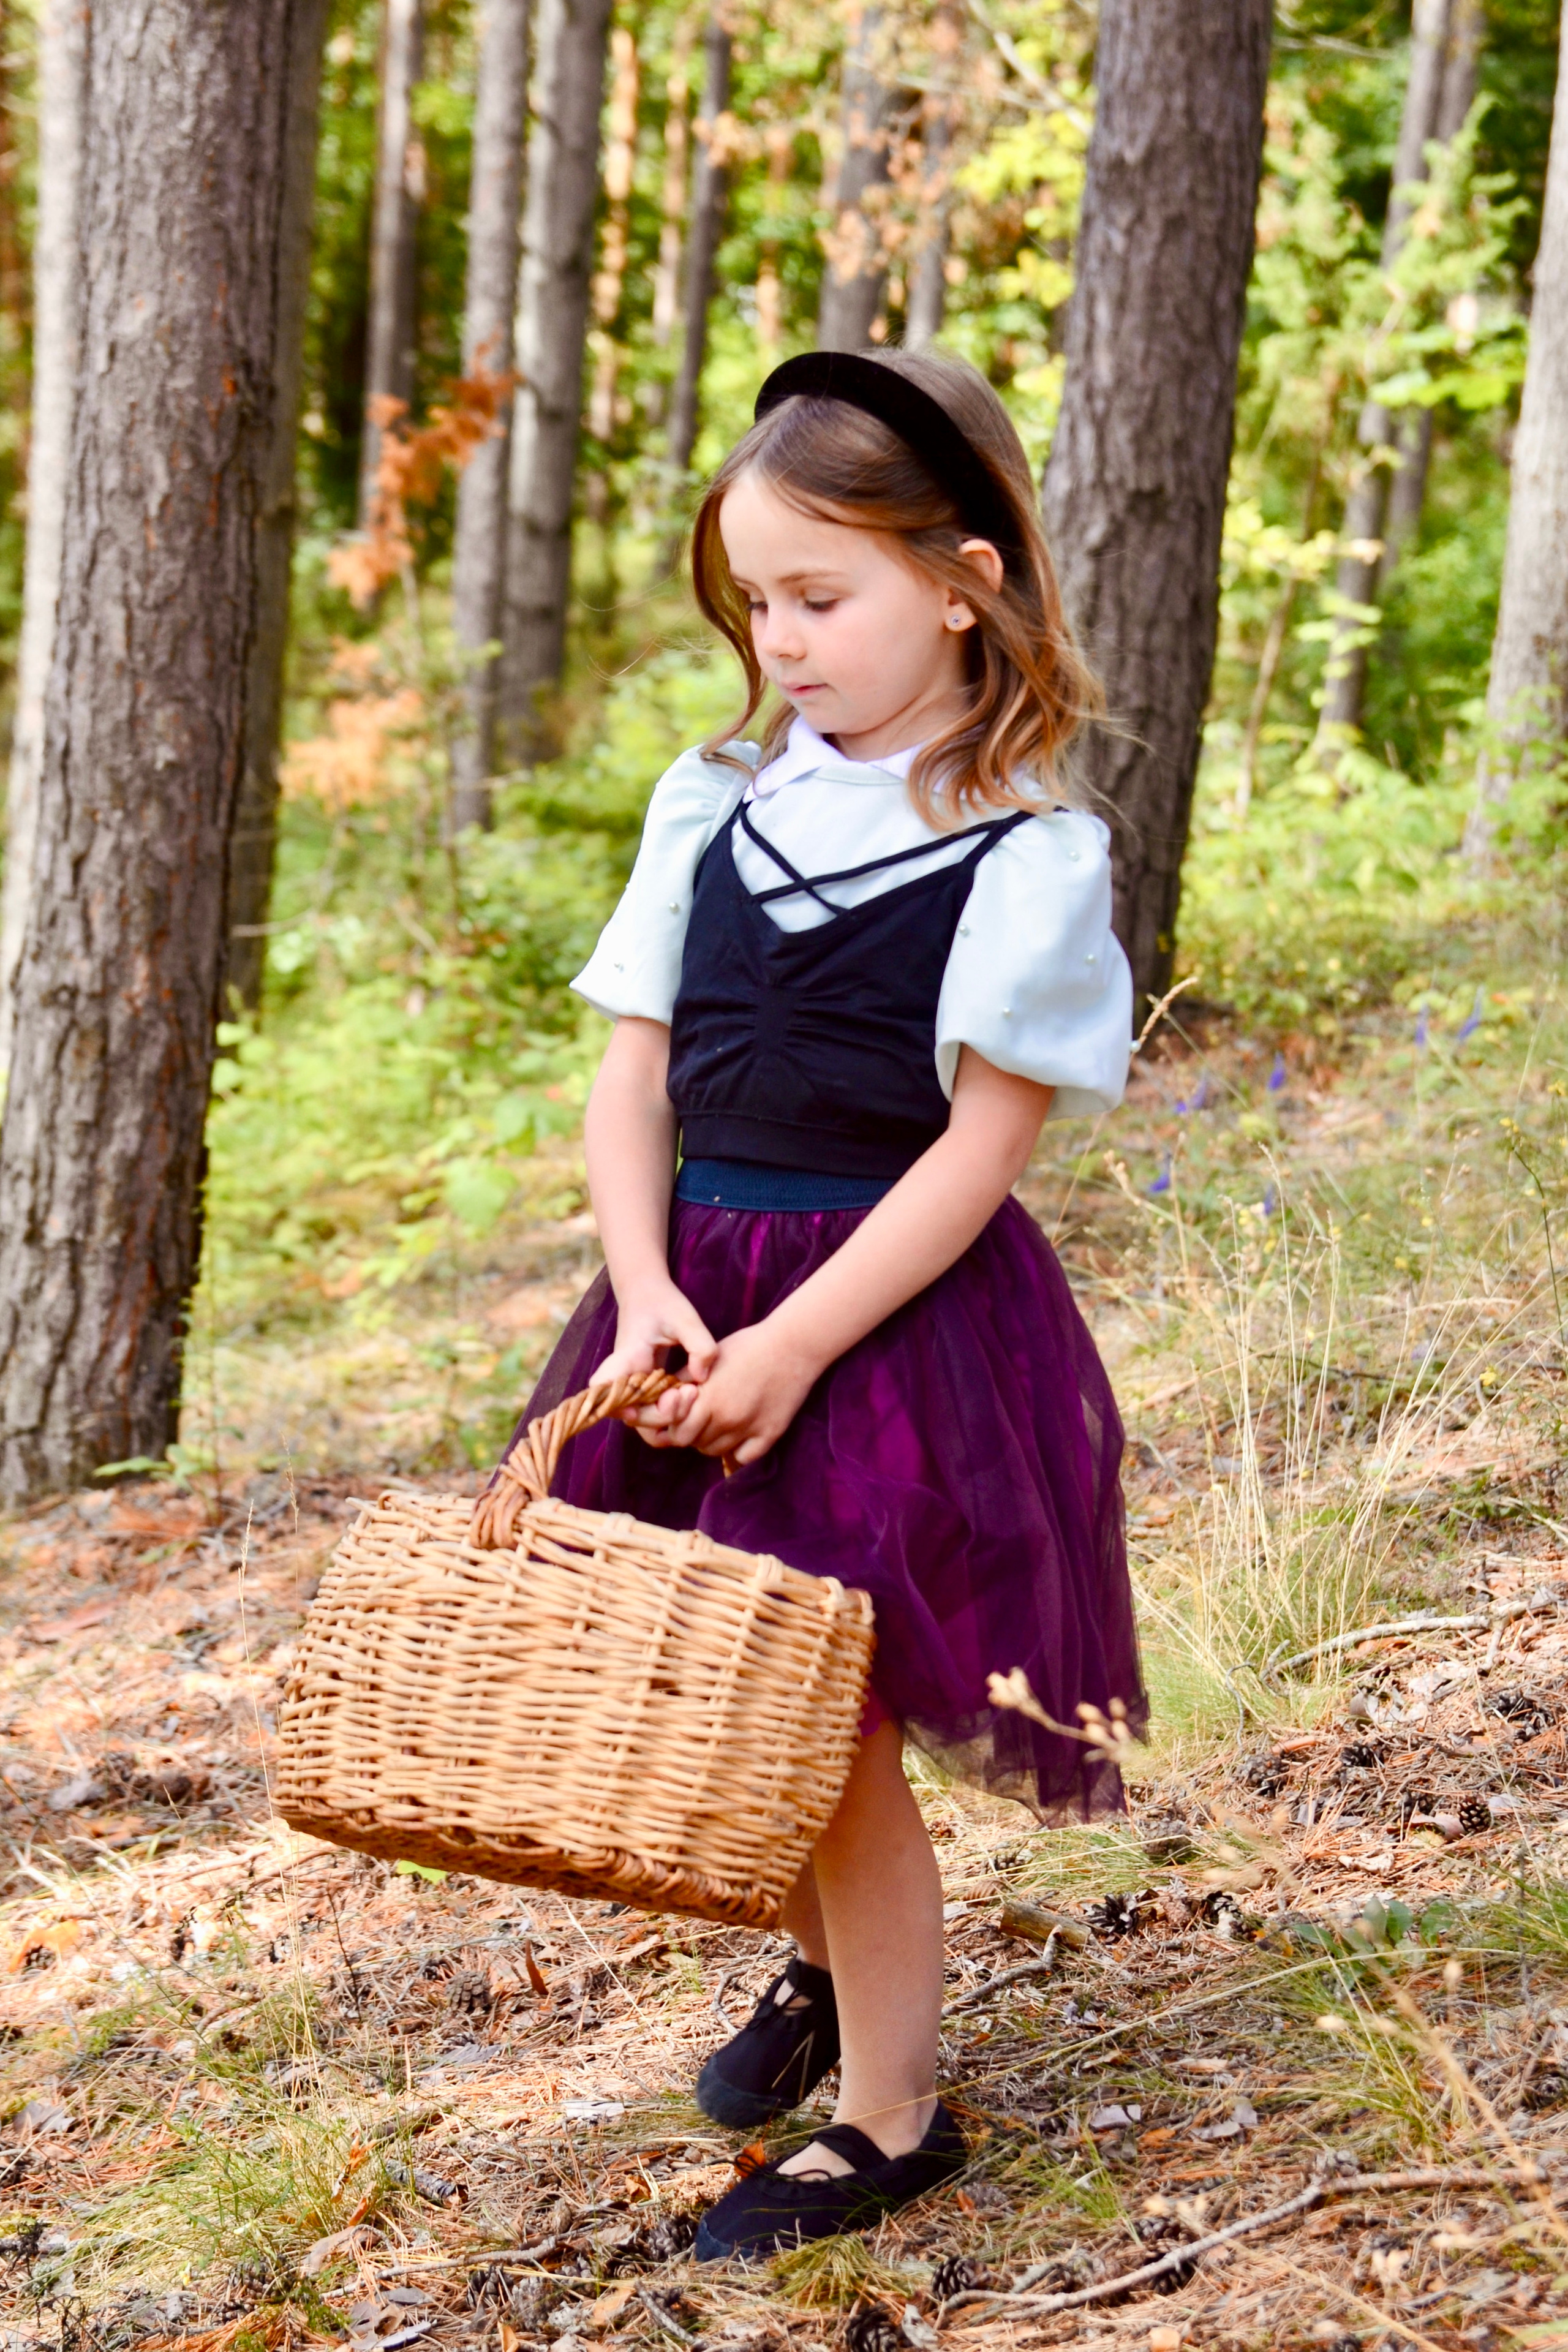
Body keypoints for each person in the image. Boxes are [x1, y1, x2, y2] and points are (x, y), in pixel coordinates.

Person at [503, 349, 1144, 2260]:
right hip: (687, 1293)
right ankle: (837, 1968)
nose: (779, 639)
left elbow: (976, 1155)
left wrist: (792, 1346)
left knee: (836, 1721)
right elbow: (635, 1074)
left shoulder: (1027, 857)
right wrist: (647, 1300)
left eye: (821, 596)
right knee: (713, 1697)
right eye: (755, 601)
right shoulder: (713, 803)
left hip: (883, 1325)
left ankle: (893, 2110)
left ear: (958, 581)